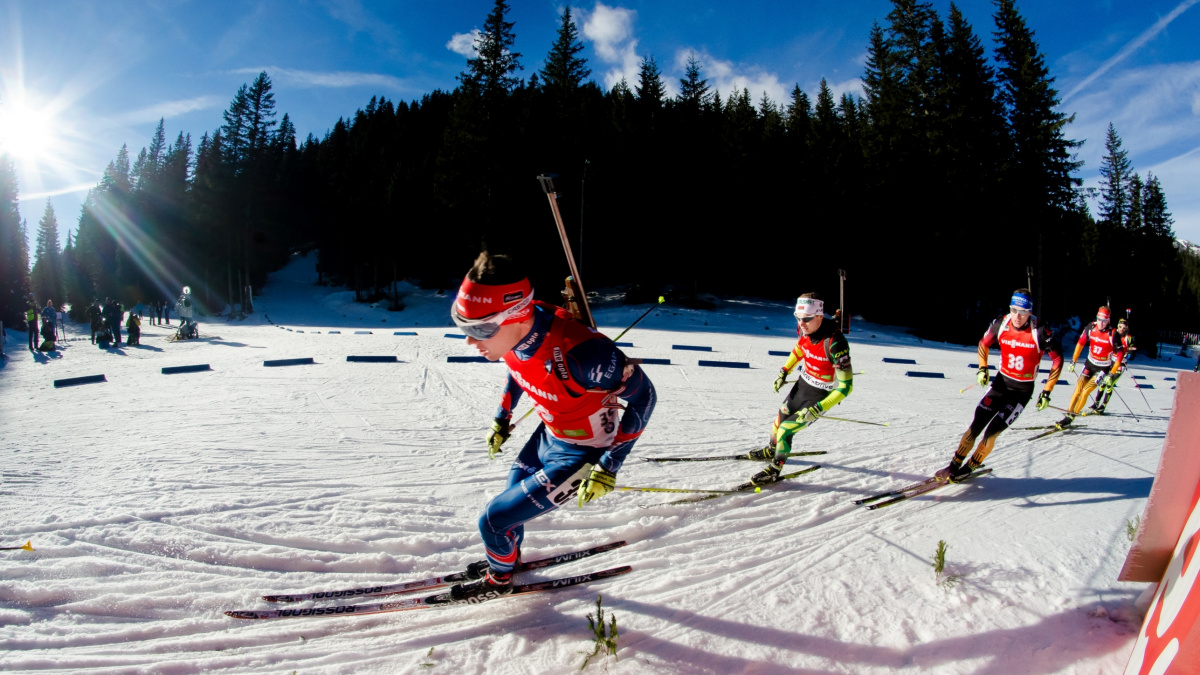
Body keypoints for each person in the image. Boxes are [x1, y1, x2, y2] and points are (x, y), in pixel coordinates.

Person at [446, 252, 656, 601]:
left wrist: (608, 467)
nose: (470, 341)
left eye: (480, 329)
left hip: (584, 453)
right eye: (463, 326)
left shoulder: (586, 356)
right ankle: (506, 560)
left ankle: (499, 580)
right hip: (548, 436)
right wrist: (503, 417)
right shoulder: (516, 334)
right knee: (508, 514)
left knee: (493, 520)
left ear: (515, 317)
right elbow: (519, 368)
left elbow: (645, 398)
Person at [935, 289, 1063, 481]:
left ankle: (970, 467)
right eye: (1013, 310)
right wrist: (983, 368)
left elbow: (1058, 360)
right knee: (975, 425)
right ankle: (954, 464)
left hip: (1022, 391)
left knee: (990, 434)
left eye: (1022, 312)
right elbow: (983, 343)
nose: (1017, 316)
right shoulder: (1001, 324)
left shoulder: (1040, 332)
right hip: (1000, 384)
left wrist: (1047, 391)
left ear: (1030, 312)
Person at [749, 293, 853, 486]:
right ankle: (772, 449)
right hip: (802, 385)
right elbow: (799, 351)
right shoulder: (805, 331)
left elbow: (846, 387)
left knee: (787, 429)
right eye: (797, 318)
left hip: (820, 395)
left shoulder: (836, 343)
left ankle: (774, 469)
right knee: (778, 421)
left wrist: (819, 407)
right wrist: (784, 371)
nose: (801, 323)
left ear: (820, 316)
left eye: (806, 319)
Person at [1057, 306, 1125, 428]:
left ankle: (1072, 416)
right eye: (1099, 319)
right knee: (1078, 389)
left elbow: (1120, 354)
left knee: (1086, 391)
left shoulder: (1113, 333)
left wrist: (1112, 373)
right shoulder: (1091, 327)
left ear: (1108, 320)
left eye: (1104, 321)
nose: (1101, 323)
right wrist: (1073, 361)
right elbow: (1080, 343)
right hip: (1090, 364)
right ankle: (1068, 414)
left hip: (1103, 368)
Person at [1090, 318, 1135, 414]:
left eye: (1124, 327)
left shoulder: (1128, 337)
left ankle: (1103, 406)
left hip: (1120, 364)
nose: (1121, 329)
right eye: (1120, 327)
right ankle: (1096, 403)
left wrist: (1128, 353)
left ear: (1127, 328)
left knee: (1109, 384)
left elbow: (1132, 351)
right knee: (1102, 383)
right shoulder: (1114, 334)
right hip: (1110, 362)